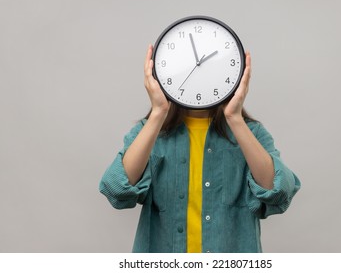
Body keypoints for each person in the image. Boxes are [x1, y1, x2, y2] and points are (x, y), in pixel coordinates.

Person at [99, 45, 301, 253]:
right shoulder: (150, 132)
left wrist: (234, 118)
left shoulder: (251, 132)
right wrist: (158, 112)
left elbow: (279, 192)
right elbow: (116, 189)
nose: (200, 73)